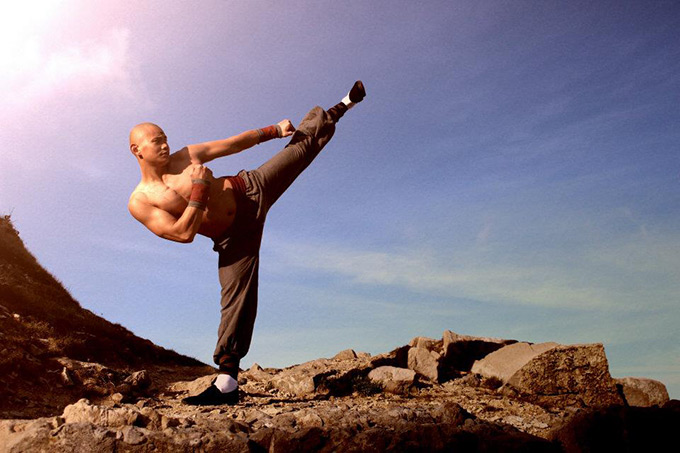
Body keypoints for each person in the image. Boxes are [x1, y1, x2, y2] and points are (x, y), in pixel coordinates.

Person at [128, 81, 366, 405]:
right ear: (137, 150)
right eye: (157, 141)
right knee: (236, 301)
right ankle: (227, 384)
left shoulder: (186, 155)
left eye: (165, 138)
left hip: (251, 189)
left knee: (299, 149)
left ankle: (343, 105)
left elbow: (232, 144)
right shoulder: (141, 200)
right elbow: (182, 233)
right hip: (233, 238)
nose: (165, 145)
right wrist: (199, 189)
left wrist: (272, 130)